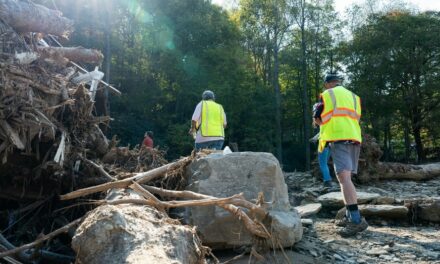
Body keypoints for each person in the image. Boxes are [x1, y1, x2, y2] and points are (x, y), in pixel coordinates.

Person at [313, 73, 368, 237]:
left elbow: (319, 120)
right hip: (353, 138)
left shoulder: (327, 95)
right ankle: (349, 215)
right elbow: (355, 118)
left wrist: (319, 121)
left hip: (339, 138)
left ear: (327, 84)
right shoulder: (354, 97)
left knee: (344, 179)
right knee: (347, 179)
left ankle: (356, 220)